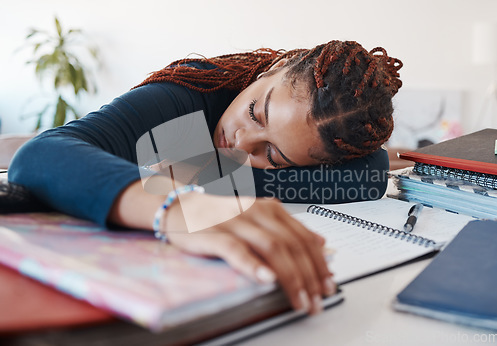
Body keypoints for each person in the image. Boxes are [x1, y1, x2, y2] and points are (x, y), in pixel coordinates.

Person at [8, 40, 402, 315]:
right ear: (275, 68)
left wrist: (209, 179)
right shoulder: (189, 94)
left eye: (273, 155)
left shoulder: (275, 152)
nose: (241, 143)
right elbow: (39, 157)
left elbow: (370, 175)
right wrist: (178, 204)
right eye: (254, 113)